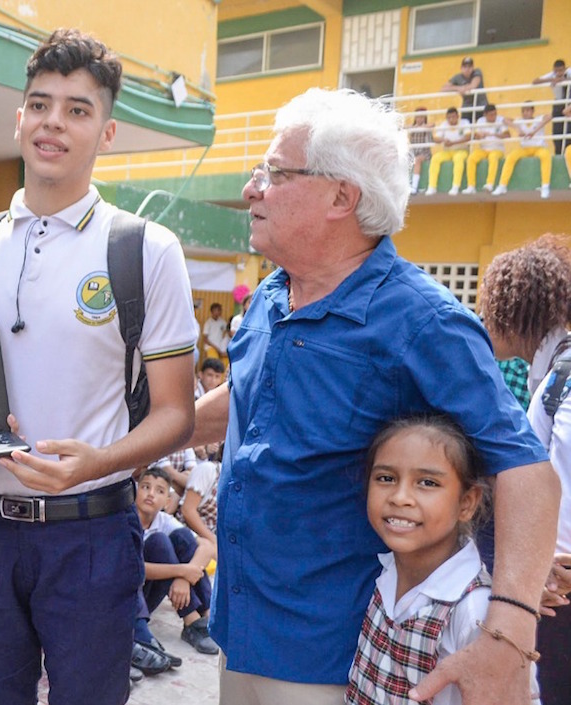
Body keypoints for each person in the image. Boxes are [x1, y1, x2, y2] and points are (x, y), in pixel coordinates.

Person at [188, 88, 557, 705]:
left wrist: (508, 631)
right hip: (239, 629)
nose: (252, 188)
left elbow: (524, 467)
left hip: (334, 658)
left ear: (342, 196)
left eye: (275, 173)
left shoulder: (423, 320)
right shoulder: (276, 295)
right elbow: (250, 398)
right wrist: (126, 440)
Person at [0, 29, 198, 705]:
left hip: (92, 532)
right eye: (39, 104)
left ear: (106, 131)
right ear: (18, 117)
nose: (53, 122)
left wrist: (95, 462)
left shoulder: (146, 249)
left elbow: (175, 413)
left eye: (77, 109)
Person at [347, 415, 540, 705]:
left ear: (467, 503)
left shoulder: (475, 609)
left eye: (427, 482)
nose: (400, 497)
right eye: (386, 478)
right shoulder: (385, 570)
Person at [478, 234, 571, 705]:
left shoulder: (562, 376)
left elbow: (562, 474)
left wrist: (547, 563)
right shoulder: (552, 372)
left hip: (559, 584)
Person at [135, 467, 218, 656]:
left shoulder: (163, 520)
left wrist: (185, 577)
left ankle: (205, 616)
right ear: (135, 491)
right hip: (134, 600)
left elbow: (206, 547)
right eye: (145, 487)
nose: (151, 494)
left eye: (160, 491)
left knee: (182, 537)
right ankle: (191, 620)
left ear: (168, 501)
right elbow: (134, 568)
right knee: (159, 542)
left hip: (157, 589)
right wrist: (180, 571)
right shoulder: (126, 520)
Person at [496, 103, 553, 199]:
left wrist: (534, 131)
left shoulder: (538, 118)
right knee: (511, 157)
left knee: (546, 156)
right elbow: (504, 119)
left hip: (539, 148)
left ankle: (545, 186)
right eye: (523, 111)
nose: (525, 113)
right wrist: (518, 129)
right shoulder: (519, 121)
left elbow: (550, 116)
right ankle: (502, 185)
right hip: (525, 149)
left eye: (527, 110)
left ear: (532, 111)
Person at [426, 107, 471, 196]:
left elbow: (468, 137)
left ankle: (455, 186)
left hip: (461, 150)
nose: (451, 119)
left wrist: (453, 142)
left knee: (458, 159)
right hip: (447, 151)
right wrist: (444, 140)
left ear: (458, 116)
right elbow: (436, 138)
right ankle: (432, 186)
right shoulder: (444, 124)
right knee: (435, 158)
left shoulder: (464, 122)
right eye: (449, 117)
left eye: (453, 117)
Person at [463, 104, 507, 194]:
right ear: (485, 115)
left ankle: (490, 184)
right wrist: (479, 135)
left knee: (493, 158)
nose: (493, 117)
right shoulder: (480, 121)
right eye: (491, 115)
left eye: (495, 114)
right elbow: (475, 135)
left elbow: (507, 134)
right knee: (471, 158)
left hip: (497, 149)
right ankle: (471, 186)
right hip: (484, 149)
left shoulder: (500, 120)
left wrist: (494, 135)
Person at [532, 59, 569, 156]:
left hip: (569, 101)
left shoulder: (569, 72)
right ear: (554, 70)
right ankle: (559, 154)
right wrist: (551, 80)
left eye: (561, 70)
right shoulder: (552, 75)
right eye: (557, 71)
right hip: (558, 103)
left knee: (568, 129)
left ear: (565, 69)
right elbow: (535, 81)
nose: (559, 73)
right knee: (557, 131)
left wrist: (564, 80)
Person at [443, 57, 487, 125]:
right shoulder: (457, 77)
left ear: (473, 67)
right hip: (467, 106)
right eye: (465, 67)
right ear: (461, 68)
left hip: (481, 105)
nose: (467, 69)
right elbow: (443, 89)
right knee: (466, 127)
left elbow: (473, 85)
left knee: (483, 126)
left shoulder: (477, 72)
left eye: (469, 67)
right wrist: (458, 88)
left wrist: (463, 88)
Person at [409, 108, 433, 195]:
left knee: (417, 160)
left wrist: (424, 128)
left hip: (424, 153)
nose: (419, 119)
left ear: (424, 118)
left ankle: (414, 187)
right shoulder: (412, 129)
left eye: (421, 117)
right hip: (414, 153)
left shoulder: (427, 128)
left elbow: (429, 143)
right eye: (417, 117)